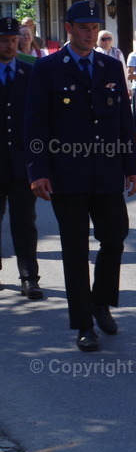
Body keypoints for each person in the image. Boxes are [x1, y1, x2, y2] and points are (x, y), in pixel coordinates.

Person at [25, 0, 136, 352]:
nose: (90, 34)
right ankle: (83, 325)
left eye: (95, 28)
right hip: (67, 175)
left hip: (106, 172)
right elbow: (36, 125)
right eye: (83, 28)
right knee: (74, 250)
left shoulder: (109, 66)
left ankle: (100, 301)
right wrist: (38, 170)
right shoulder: (48, 69)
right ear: (69, 29)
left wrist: (132, 166)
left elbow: (124, 120)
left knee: (115, 236)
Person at [0, 17, 42, 300]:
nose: (11, 45)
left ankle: (29, 277)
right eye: (4, 40)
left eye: (14, 40)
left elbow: (40, 120)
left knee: (24, 221)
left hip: (22, 163)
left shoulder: (30, 73)